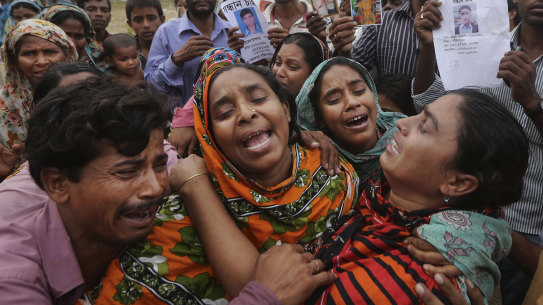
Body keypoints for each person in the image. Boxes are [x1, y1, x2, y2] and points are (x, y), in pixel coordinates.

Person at [92, 54, 359, 304]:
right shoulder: (175, 222)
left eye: (257, 98)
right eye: (224, 113)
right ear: (209, 137)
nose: (245, 114)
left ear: (286, 110)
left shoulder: (336, 175)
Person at [303, 89, 528, 304]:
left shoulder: (419, 279)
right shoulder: (377, 191)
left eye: (425, 127)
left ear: (457, 183)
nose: (401, 122)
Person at [411, 1, 543, 304]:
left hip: (529, 233)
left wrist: (533, 103)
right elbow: (426, 102)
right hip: (466, 222)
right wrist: (428, 48)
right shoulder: (486, 43)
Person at [296, 57, 403, 182]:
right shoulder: (315, 162)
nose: (352, 103)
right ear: (319, 118)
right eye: (334, 99)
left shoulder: (405, 135)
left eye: (359, 91)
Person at [0, 19, 77, 180]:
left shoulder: (85, 95)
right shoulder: (5, 104)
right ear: (14, 60)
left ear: (67, 54)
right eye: (29, 54)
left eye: (50, 52)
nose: (41, 61)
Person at [144, 0, 230, 109]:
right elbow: (151, 86)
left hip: (227, 117)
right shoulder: (165, 32)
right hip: (182, 123)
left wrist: (238, 59)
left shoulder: (233, 31)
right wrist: (176, 60)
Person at [350, 0, 428, 78]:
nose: (387, 6)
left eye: (395, 3)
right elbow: (353, 69)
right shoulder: (379, 24)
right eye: (382, 3)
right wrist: (343, 51)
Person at [39, 3, 108, 73]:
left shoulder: (102, 66)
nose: (72, 43)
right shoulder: (36, 66)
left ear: (88, 38)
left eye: (79, 36)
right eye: (65, 35)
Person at [125, 0, 165, 69]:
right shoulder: (124, 52)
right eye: (138, 20)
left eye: (151, 18)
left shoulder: (173, 47)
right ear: (130, 24)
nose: (146, 25)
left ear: (162, 20)